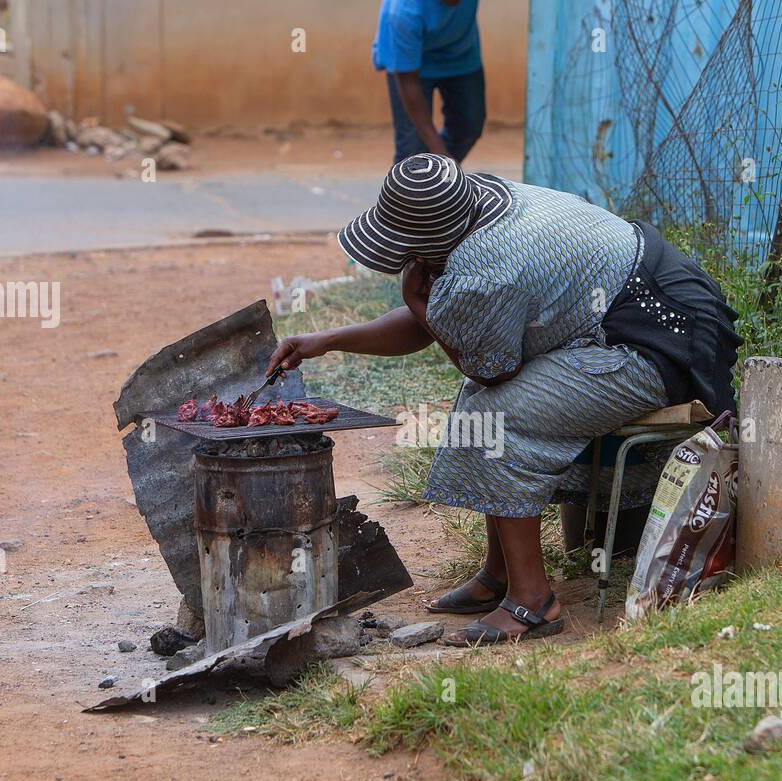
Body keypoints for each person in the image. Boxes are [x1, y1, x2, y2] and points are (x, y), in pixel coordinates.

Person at [268, 155, 742, 646]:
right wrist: (325, 339)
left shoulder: (486, 265)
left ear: (431, 246)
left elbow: (489, 368)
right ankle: (498, 575)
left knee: (495, 416)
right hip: (644, 307)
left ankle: (534, 601)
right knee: (483, 404)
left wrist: (417, 304)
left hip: (663, 343)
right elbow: (444, 323)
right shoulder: (482, 201)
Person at [373, 0, 485, 164]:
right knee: (412, 149)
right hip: (408, 62)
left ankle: (434, 177)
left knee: (468, 128)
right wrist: (439, 152)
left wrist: (444, 162)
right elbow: (408, 82)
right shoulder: (402, 13)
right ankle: (413, 181)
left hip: (461, 53)